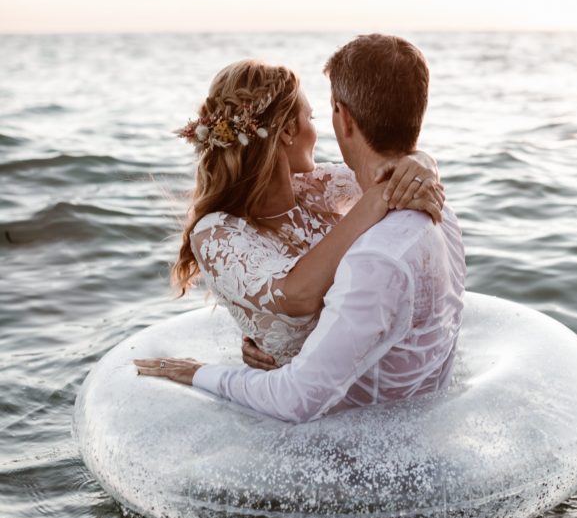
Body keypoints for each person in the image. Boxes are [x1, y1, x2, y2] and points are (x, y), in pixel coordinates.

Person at [135, 34, 466, 423]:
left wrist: (423, 163)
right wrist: (373, 202)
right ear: (288, 132)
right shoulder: (215, 234)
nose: (319, 128)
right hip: (295, 401)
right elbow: (298, 296)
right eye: (310, 117)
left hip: (337, 387)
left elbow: (387, 165)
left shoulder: (320, 186)